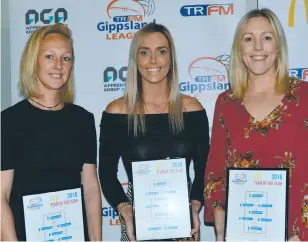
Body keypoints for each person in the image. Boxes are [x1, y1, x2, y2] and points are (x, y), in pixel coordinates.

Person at [203, 8, 308, 241]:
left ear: (278, 45)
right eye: (249, 39)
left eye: (267, 38)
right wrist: (222, 231)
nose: (258, 47)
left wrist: (301, 233)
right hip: (241, 233)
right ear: (240, 49)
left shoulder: (304, 97)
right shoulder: (227, 103)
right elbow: (216, 174)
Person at [99, 22, 210, 241]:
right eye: (144, 52)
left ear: (171, 58)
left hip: (183, 226)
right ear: (136, 59)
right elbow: (107, 174)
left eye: (161, 51)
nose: (153, 61)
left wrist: (194, 207)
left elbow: (204, 169)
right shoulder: (117, 112)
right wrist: (125, 210)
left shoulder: (192, 109)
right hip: (137, 226)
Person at [1, 23, 102, 241]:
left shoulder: (83, 119)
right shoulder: (8, 121)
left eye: (66, 58)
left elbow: (91, 188)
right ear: (33, 61)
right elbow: (1, 194)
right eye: (49, 57)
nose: (58, 65)